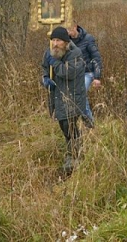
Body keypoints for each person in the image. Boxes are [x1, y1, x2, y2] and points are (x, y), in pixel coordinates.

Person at [42, 26, 87, 172]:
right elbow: (44, 69)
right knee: (64, 127)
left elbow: (67, 73)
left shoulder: (76, 54)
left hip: (72, 98)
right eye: (53, 40)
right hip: (57, 98)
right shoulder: (50, 53)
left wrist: (54, 63)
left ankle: (75, 157)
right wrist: (45, 79)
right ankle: (72, 154)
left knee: (71, 127)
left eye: (58, 41)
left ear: (66, 42)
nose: (55, 44)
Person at [67, 22, 103, 126]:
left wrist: (97, 77)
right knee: (74, 96)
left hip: (88, 73)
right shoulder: (66, 41)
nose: (68, 32)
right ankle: (84, 122)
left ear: (75, 27)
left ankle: (89, 123)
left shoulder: (88, 38)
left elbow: (96, 57)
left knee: (79, 94)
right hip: (74, 73)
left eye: (69, 29)